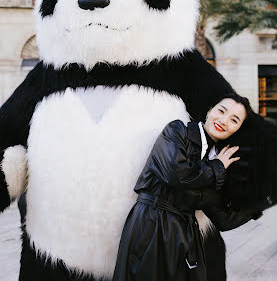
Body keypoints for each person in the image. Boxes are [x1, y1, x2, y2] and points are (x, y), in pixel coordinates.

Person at [112, 93, 262, 281]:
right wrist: (217, 167)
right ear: (209, 111)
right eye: (221, 111)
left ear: (237, 129)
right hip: (152, 225)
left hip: (185, 236)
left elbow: (224, 220)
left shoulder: (218, 160)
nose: (223, 121)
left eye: (234, 120)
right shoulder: (177, 131)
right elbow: (176, 175)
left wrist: (260, 203)